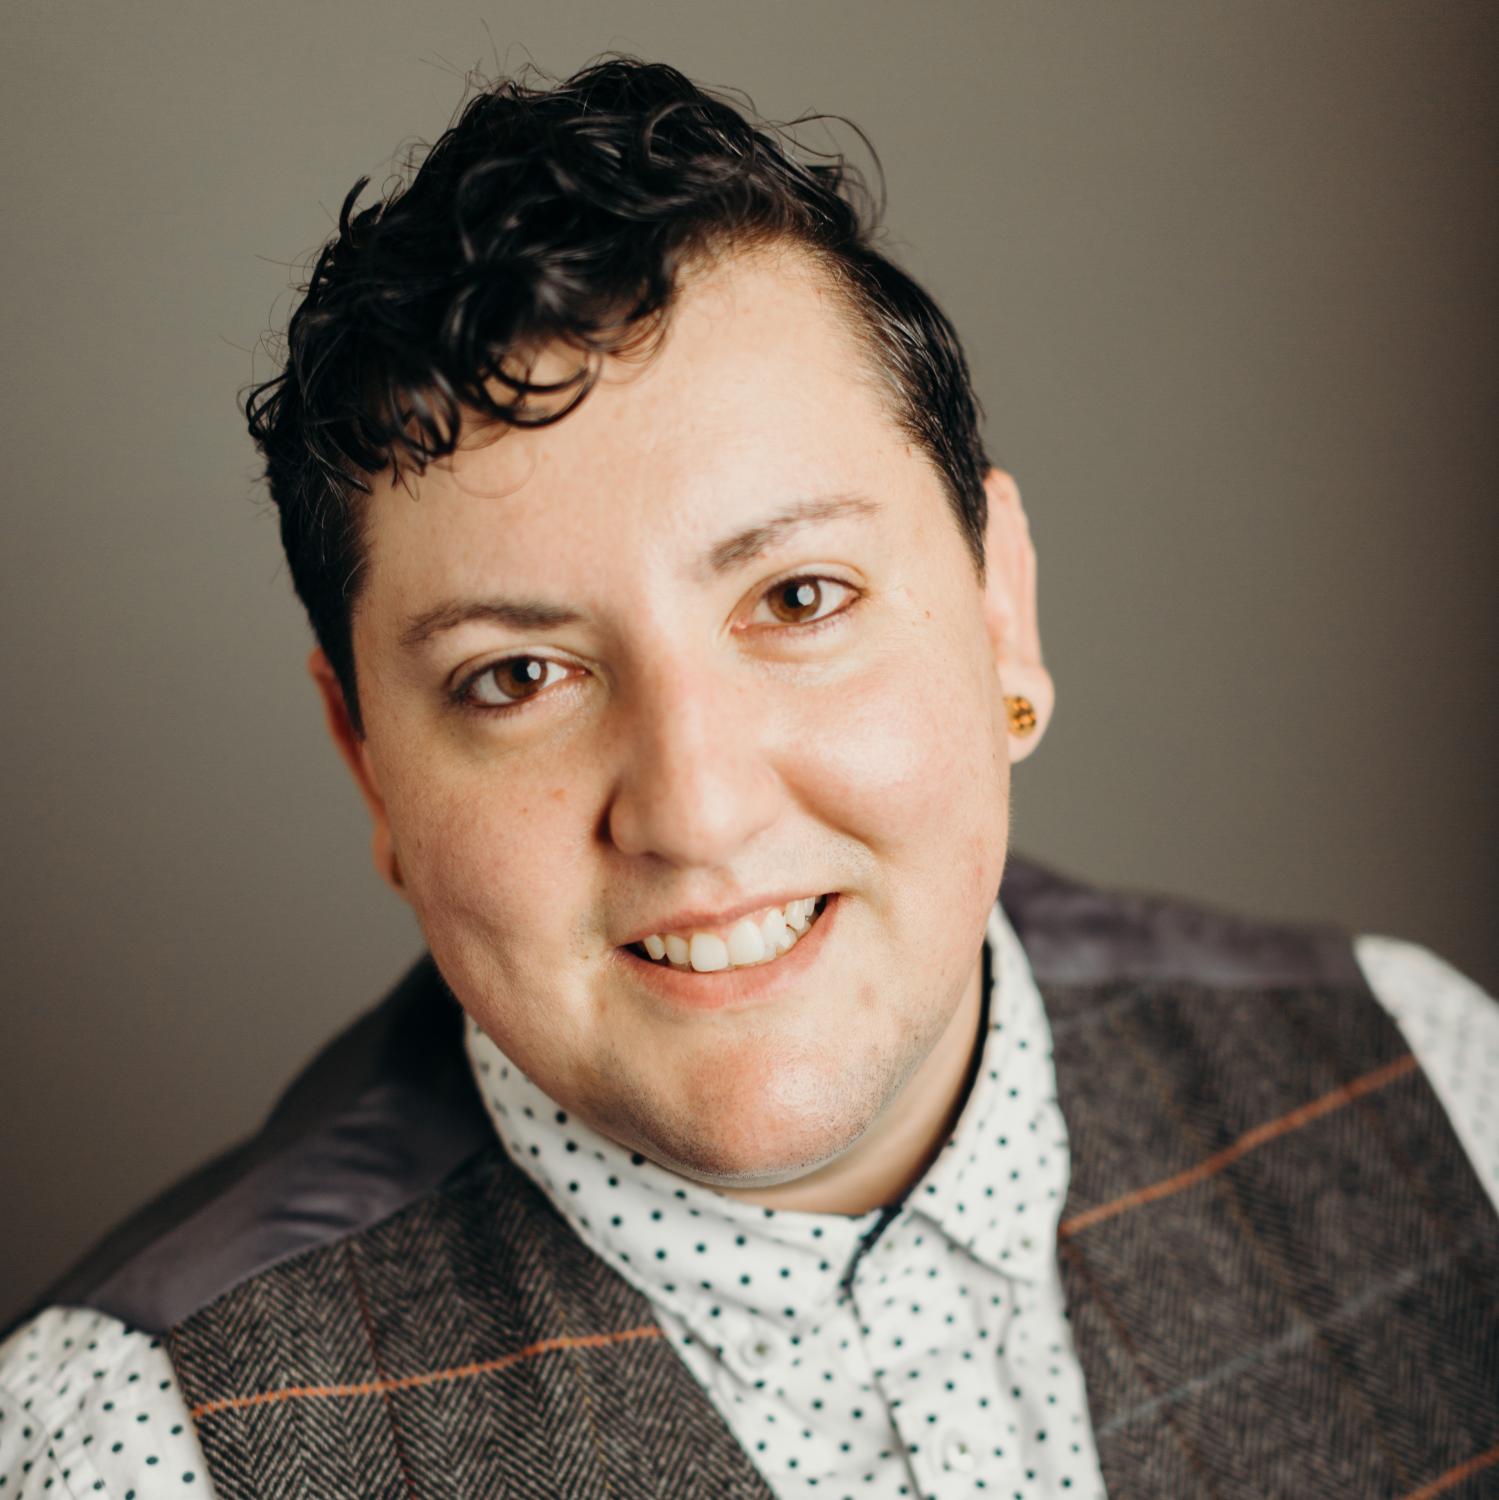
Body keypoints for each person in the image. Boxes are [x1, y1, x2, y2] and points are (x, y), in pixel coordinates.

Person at [2, 56, 1495, 1500]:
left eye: (797, 598)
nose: (698, 811)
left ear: (1001, 615)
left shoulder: (1437, 1089)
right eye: (518, 677)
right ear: (371, 769)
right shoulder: (133, 1449)